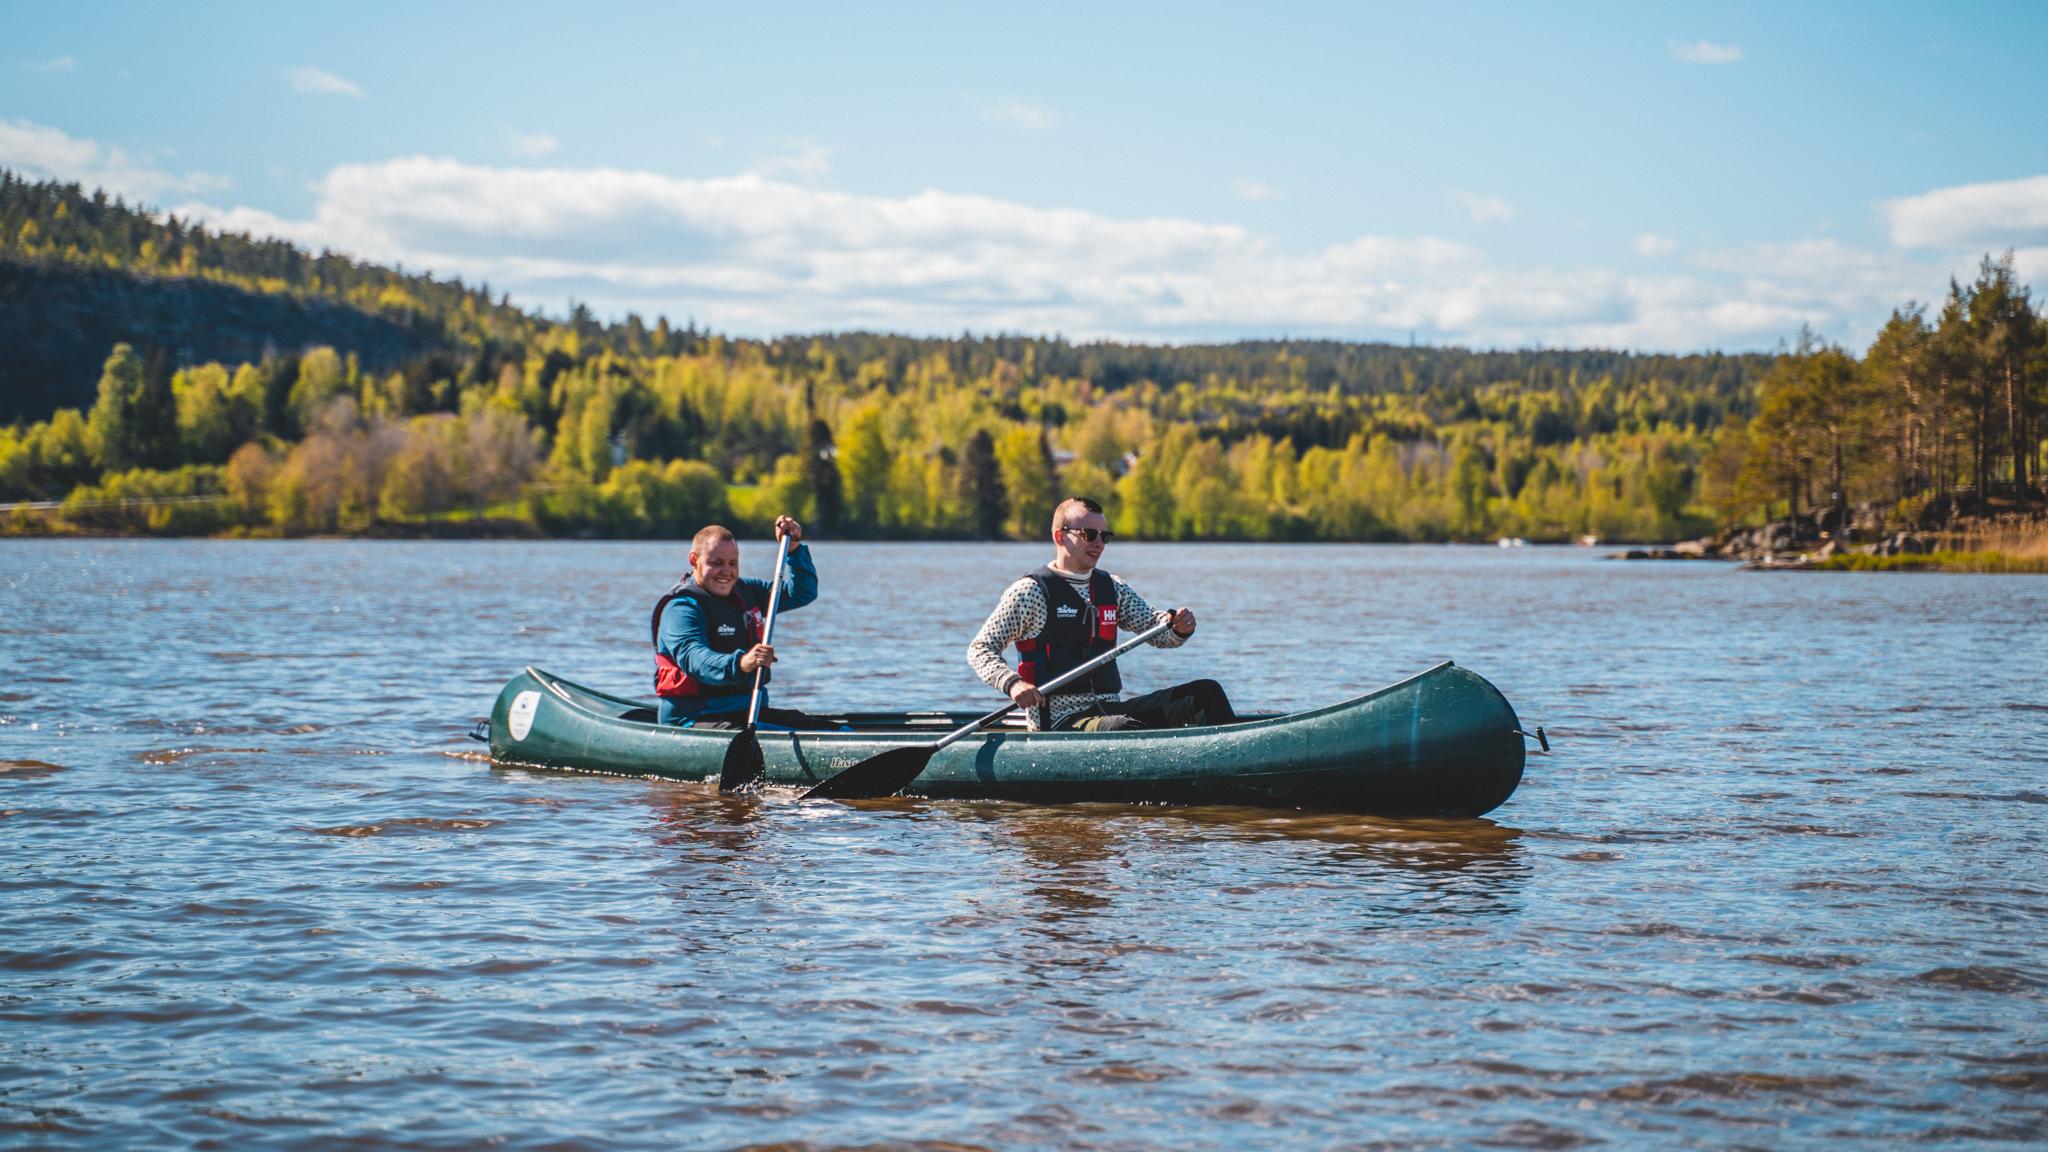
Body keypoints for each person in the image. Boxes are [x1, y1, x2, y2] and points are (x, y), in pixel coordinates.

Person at [967, 496, 1237, 731]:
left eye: (1104, 536)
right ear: (1060, 536)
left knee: (1206, 694)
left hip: (1110, 708)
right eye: (1089, 535)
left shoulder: (1113, 588)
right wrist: (1013, 684)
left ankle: (1235, 768)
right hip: (1060, 721)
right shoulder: (1030, 592)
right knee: (1122, 727)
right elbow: (980, 649)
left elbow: (1155, 630)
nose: (1099, 543)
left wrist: (1178, 628)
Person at [652, 515, 818, 728]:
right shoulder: (681, 609)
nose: (727, 571)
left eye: (733, 563)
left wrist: (793, 549)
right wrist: (741, 663)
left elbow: (801, 593)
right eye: (716, 563)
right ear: (694, 560)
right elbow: (695, 659)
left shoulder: (745, 590)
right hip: (694, 718)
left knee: (835, 731)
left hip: (750, 710)